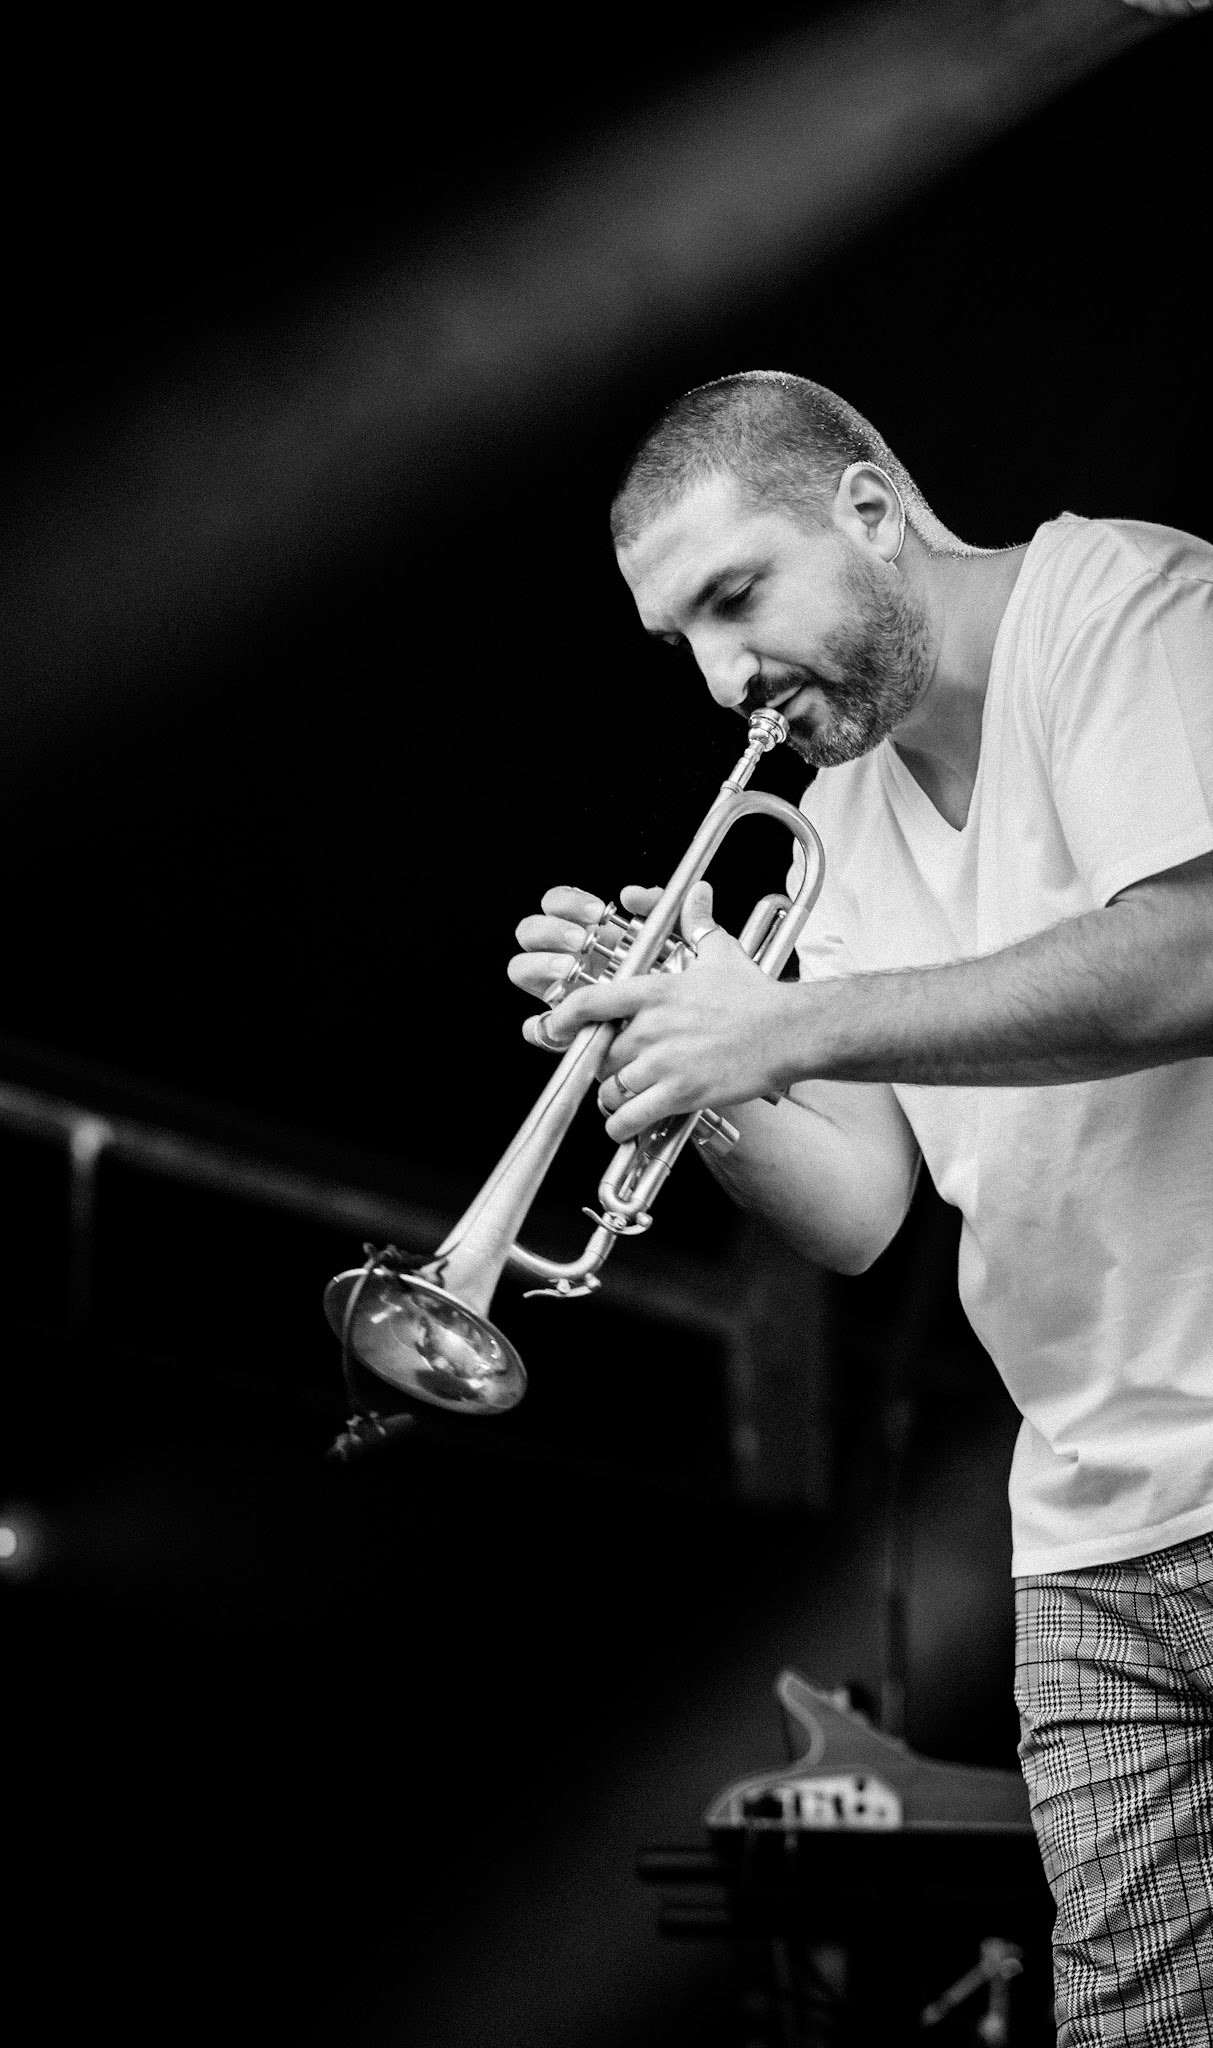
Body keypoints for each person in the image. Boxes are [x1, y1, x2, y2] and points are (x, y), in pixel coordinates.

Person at [509, 371, 1213, 2044]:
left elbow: (1189, 955)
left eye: (735, 597)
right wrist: (693, 1069)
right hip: (1092, 1539)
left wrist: (785, 1024)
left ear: (870, 511)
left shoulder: (1121, 607)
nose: (722, 679)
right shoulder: (833, 818)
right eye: (680, 642)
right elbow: (856, 1212)